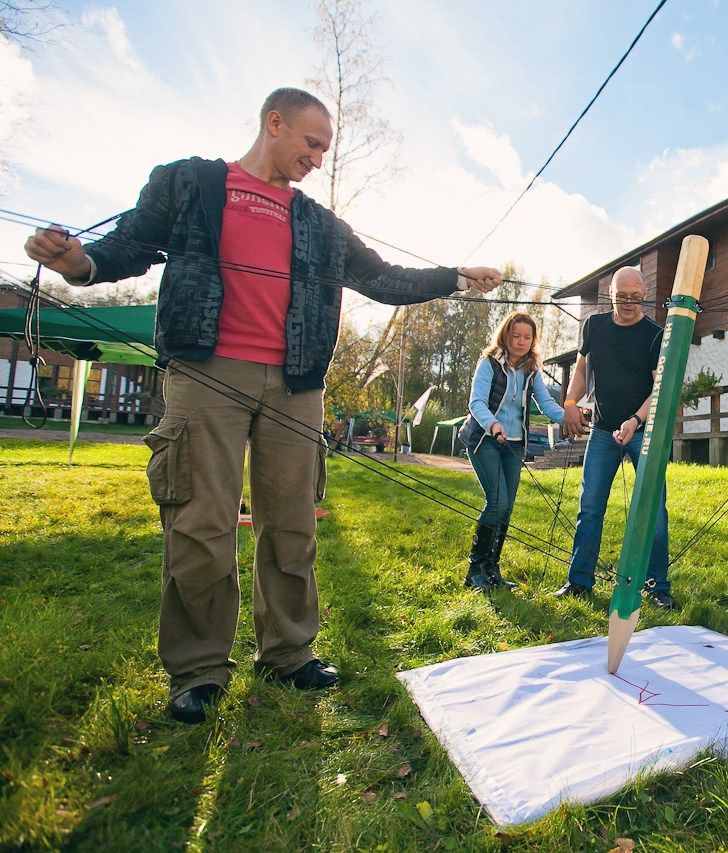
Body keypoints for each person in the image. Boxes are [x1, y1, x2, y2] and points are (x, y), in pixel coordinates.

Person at [23, 87, 502, 724]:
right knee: (201, 523)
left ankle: (289, 652)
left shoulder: (320, 223)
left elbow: (383, 278)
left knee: (292, 523)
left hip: (297, 383)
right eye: (311, 143)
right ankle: (198, 671)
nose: (317, 159)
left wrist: (457, 277)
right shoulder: (188, 183)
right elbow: (122, 251)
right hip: (205, 373)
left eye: (325, 149)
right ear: (274, 123)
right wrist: (76, 264)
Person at [555, 266, 674, 609]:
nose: (630, 304)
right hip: (603, 432)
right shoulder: (594, 326)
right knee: (590, 506)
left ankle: (657, 587)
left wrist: (636, 420)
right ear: (611, 294)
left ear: (644, 296)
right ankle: (579, 582)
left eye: (637, 298)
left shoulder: (655, 335)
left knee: (653, 509)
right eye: (623, 297)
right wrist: (570, 403)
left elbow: (661, 388)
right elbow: (580, 370)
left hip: (643, 431)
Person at [459, 311, 565, 590]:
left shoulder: (531, 370)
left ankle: (492, 571)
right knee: (496, 503)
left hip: (515, 444)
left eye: (527, 337)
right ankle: (475, 570)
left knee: (506, 509)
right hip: (485, 439)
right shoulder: (489, 364)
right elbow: (476, 403)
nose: (521, 342)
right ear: (505, 336)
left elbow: (546, 403)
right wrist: (493, 425)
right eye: (516, 336)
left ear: (533, 340)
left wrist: (570, 417)